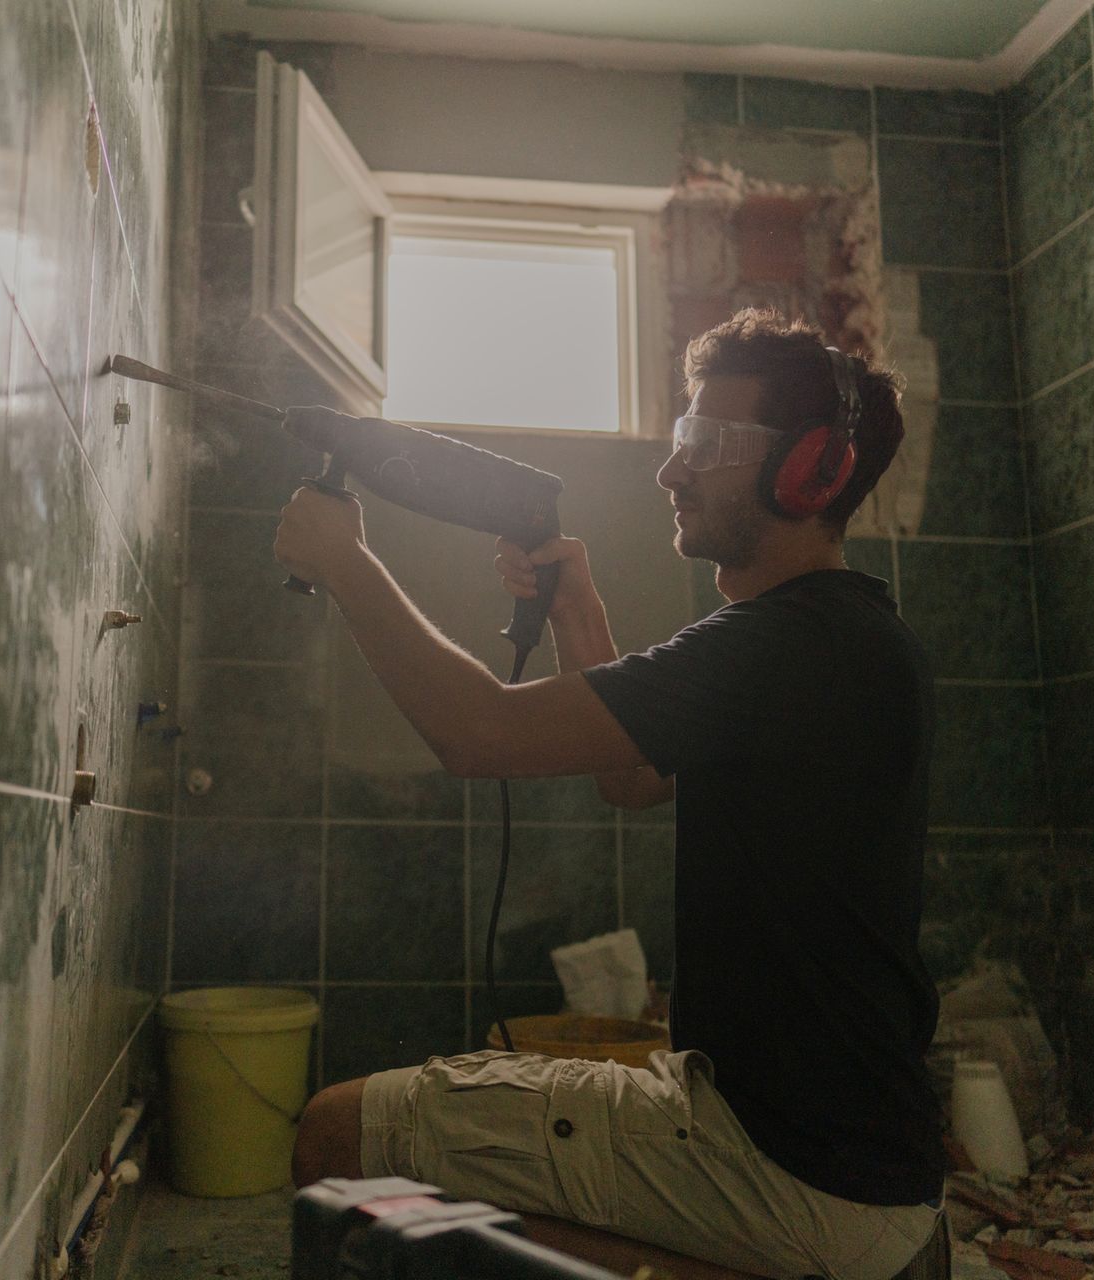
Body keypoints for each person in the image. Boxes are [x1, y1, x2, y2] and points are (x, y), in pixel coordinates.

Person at [271, 309, 945, 1280]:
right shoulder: (835, 638)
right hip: (848, 1160)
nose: (672, 471)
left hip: (790, 1167)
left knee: (338, 1135)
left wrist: (346, 563)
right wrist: (578, 608)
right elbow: (635, 779)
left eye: (707, 445)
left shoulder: (786, 644)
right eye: (682, 439)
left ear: (814, 473)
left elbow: (479, 732)